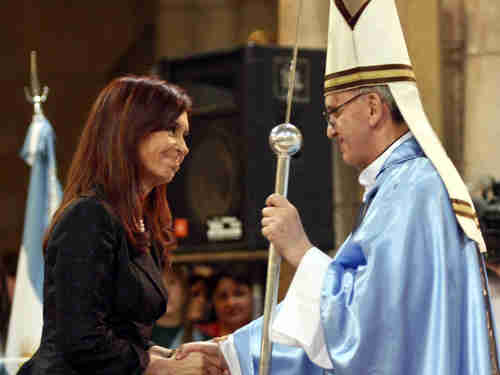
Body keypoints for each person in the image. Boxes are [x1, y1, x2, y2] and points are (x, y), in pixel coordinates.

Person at [177, 1, 499, 374]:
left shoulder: (414, 189)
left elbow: (372, 333)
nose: (330, 129)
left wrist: (299, 248)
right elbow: (342, 327)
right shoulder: (395, 187)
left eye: (334, 112)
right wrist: (234, 351)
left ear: (374, 108)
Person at [17, 76, 225, 375]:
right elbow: (81, 341)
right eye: (172, 131)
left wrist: (173, 355)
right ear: (130, 131)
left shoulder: (142, 224)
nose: (184, 148)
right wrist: (161, 368)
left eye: (185, 135)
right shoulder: (87, 217)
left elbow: (124, 334)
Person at [152, 264, 210, 348]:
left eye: (171, 282)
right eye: (158, 283)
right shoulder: (135, 340)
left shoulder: (204, 342)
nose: (165, 290)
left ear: (184, 291)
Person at [198, 265, 254, 338]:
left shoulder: (266, 334)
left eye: (238, 294)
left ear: (251, 296)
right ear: (213, 302)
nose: (231, 303)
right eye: (223, 296)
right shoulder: (199, 335)